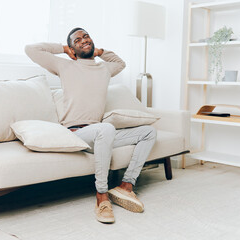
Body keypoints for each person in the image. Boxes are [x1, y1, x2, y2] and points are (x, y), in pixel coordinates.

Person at [25, 27, 157, 223]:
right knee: (106, 128)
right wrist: (62, 48)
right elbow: (31, 49)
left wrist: (100, 52)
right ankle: (101, 196)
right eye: (77, 40)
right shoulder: (64, 66)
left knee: (149, 132)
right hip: (76, 134)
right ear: (72, 48)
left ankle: (126, 186)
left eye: (86, 36)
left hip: (102, 136)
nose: (83, 40)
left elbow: (120, 63)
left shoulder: (103, 69)